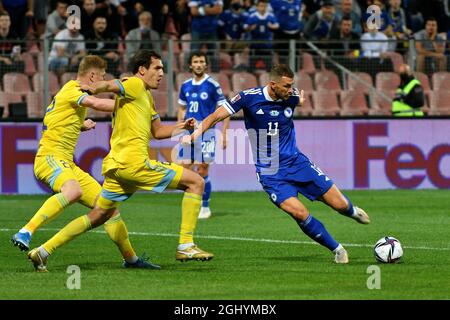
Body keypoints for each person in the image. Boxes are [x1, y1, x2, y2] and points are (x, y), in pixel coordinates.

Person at [27, 50, 213, 272]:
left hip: (116, 168)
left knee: (98, 215)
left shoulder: (147, 97)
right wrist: (98, 86)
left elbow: (159, 131)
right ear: (142, 70)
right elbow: (116, 84)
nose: (162, 73)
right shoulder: (134, 83)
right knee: (196, 182)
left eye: (163, 68)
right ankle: (186, 244)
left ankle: (43, 251)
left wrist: (182, 126)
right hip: (133, 163)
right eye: (157, 68)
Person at [182, 64, 370, 264]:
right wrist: (195, 134)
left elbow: (298, 99)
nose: (291, 90)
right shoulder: (248, 98)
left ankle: (352, 211)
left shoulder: (290, 96)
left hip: (297, 163)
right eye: (287, 86)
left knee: (340, 205)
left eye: (292, 86)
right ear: (273, 85)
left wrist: (300, 100)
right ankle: (337, 249)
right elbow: (215, 117)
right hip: (270, 172)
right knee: (300, 212)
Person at [11, 55, 155, 270]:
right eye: (102, 77)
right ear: (93, 75)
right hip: (49, 157)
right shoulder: (73, 89)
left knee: (107, 208)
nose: (102, 80)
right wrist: (133, 105)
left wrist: (79, 125)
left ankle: (131, 259)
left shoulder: (68, 94)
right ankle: (26, 231)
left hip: (67, 162)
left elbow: (55, 121)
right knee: (73, 191)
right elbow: (96, 102)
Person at [177, 51, 229, 219]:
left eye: (201, 61)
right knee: (183, 170)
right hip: (188, 132)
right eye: (195, 61)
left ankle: (205, 207)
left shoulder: (212, 84)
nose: (198, 64)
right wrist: (180, 129)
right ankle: (192, 201)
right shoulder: (185, 85)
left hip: (206, 132)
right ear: (190, 65)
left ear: (206, 65)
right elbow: (182, 109)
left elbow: (225, 110)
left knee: (203, 168)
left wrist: (225, 134)